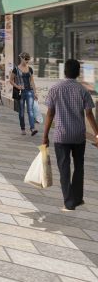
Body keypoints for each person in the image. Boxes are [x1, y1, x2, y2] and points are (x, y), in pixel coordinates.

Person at [43, 59, 98, 211]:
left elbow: (50, 113)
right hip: (79, 136)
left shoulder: (55, 89)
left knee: (64, 168)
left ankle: (69, 202)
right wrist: (97, 134)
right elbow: (89, 114)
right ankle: (78, 198)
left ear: (64, 71)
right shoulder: (82, 90)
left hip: (61, 136)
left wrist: (45, 135)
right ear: (78, 72)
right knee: (79, 167)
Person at [11, 52, 39, 136]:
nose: (27, 61)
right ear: (22, 58)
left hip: (29, 91)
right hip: (21, 92)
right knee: (21, 112)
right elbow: (11, 80)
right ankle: (22, 128)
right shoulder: (16, 69)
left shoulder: (30, 69)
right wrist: (17, 86)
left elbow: (32, 81)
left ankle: (32, 128)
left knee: (30, 110)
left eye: (28, 59)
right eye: (26, 59)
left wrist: (35, 92)